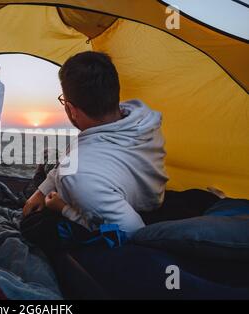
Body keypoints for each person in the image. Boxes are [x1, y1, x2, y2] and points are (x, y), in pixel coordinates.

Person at [22, 51, 168, 238]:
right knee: (52, 160)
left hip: (117, 208)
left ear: (71, 110)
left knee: (32, 226)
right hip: (141, 193)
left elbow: (133, 231)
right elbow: (73, 160)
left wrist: (63, 209)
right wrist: (41, 192)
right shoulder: (143, 118)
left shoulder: (79, 176)